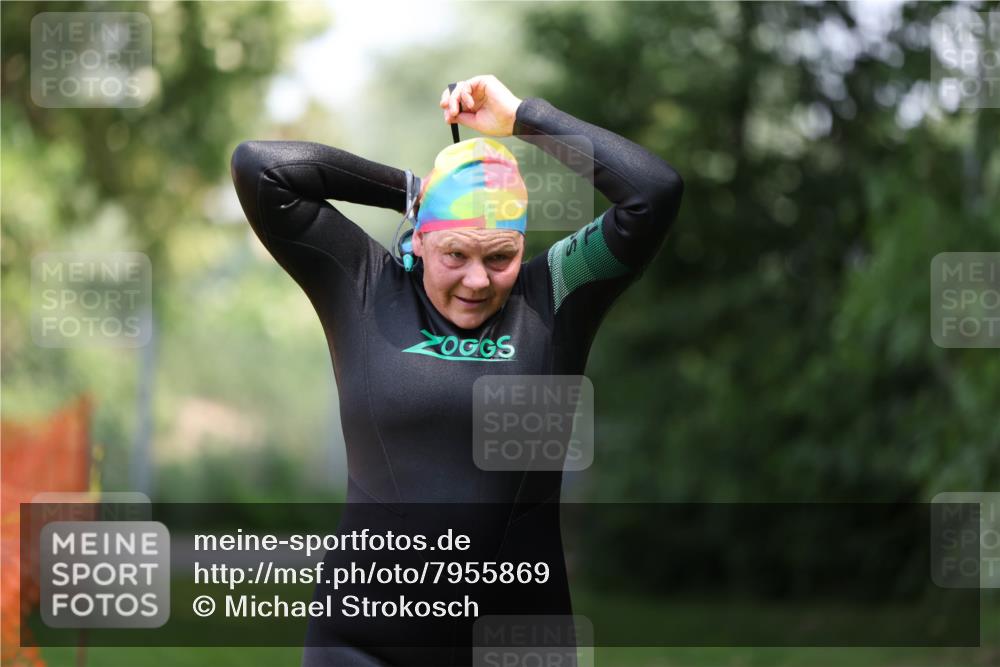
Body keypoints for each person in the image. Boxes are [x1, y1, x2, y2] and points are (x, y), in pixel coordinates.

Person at [231, 74, 683, 667]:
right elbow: (262, 168)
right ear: (419, 238)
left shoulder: (555, 294)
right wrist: (412, 188)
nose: (477, 279)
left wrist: (522, 117)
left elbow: (654, 192)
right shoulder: (367, 287)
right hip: (362, 646)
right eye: (455, 255)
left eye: (500, 256)